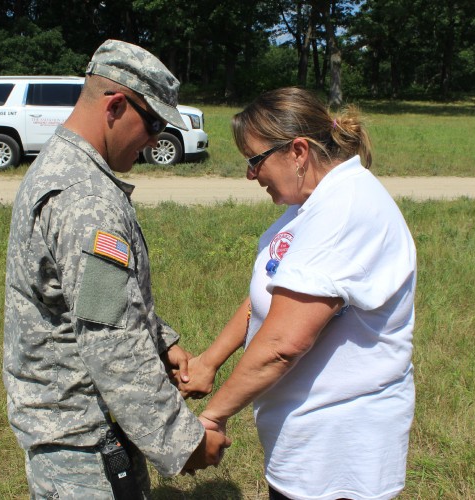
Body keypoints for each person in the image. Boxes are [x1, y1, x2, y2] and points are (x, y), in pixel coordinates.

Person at [2, 39, 230, 499]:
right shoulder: (86, 200)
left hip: (69, 430)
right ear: (116, 105)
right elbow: (111, 342)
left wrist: (161, 340)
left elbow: (90, 300)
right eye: (152, 124)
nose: (154, 141)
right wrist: (184, 443)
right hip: (85, 443)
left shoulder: (62, 164)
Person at [178, 87, 417, 499]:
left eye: (254, 160)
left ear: (298, 152)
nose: (250, 175)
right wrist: (209, 361)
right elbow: (273, 292)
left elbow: (284, 344)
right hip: (308, 438)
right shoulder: (311, 203)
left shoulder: (343, 211)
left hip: (337, 451)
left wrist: (213, 418)